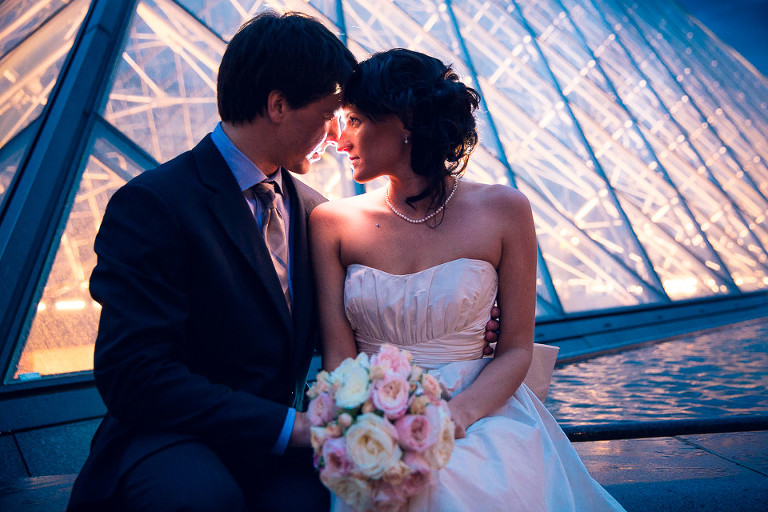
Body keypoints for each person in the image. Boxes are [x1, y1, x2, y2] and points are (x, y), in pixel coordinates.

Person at [309, 49, 626, 511]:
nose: (339, 139)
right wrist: (366, 423)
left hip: (483, 412)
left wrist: (454, 417)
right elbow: (339, 355)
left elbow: (516, 348)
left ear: (405, 122)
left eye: (354, 120)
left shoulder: (505, 210)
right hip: (372, 422)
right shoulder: (330, 222)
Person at [67, 12, 357, 512]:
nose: (335, 133)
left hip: (270, 447)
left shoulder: (314, 211)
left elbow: (349, 317)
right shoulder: (153, 204)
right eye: (329, 112)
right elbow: (133, 374)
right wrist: (292, 427)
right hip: (167, 438)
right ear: (278, 105)